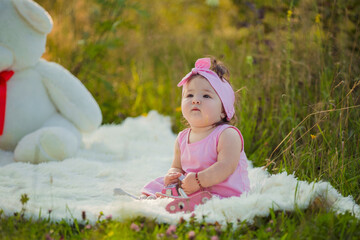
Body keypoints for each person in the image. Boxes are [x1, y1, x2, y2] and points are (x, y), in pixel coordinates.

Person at [141, 57, 250, 199]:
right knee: (159, 183)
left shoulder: (227, 135)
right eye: (190, 95)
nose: (195, 100)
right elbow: (177, 167)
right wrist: (173, 175)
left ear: (224, 110)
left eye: (206, 96)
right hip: (193, 188)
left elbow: (226, 166)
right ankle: (156, 198)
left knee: (206, 196)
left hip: (225, 192)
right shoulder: (182, 138)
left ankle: (183, 200)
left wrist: (199, 180)